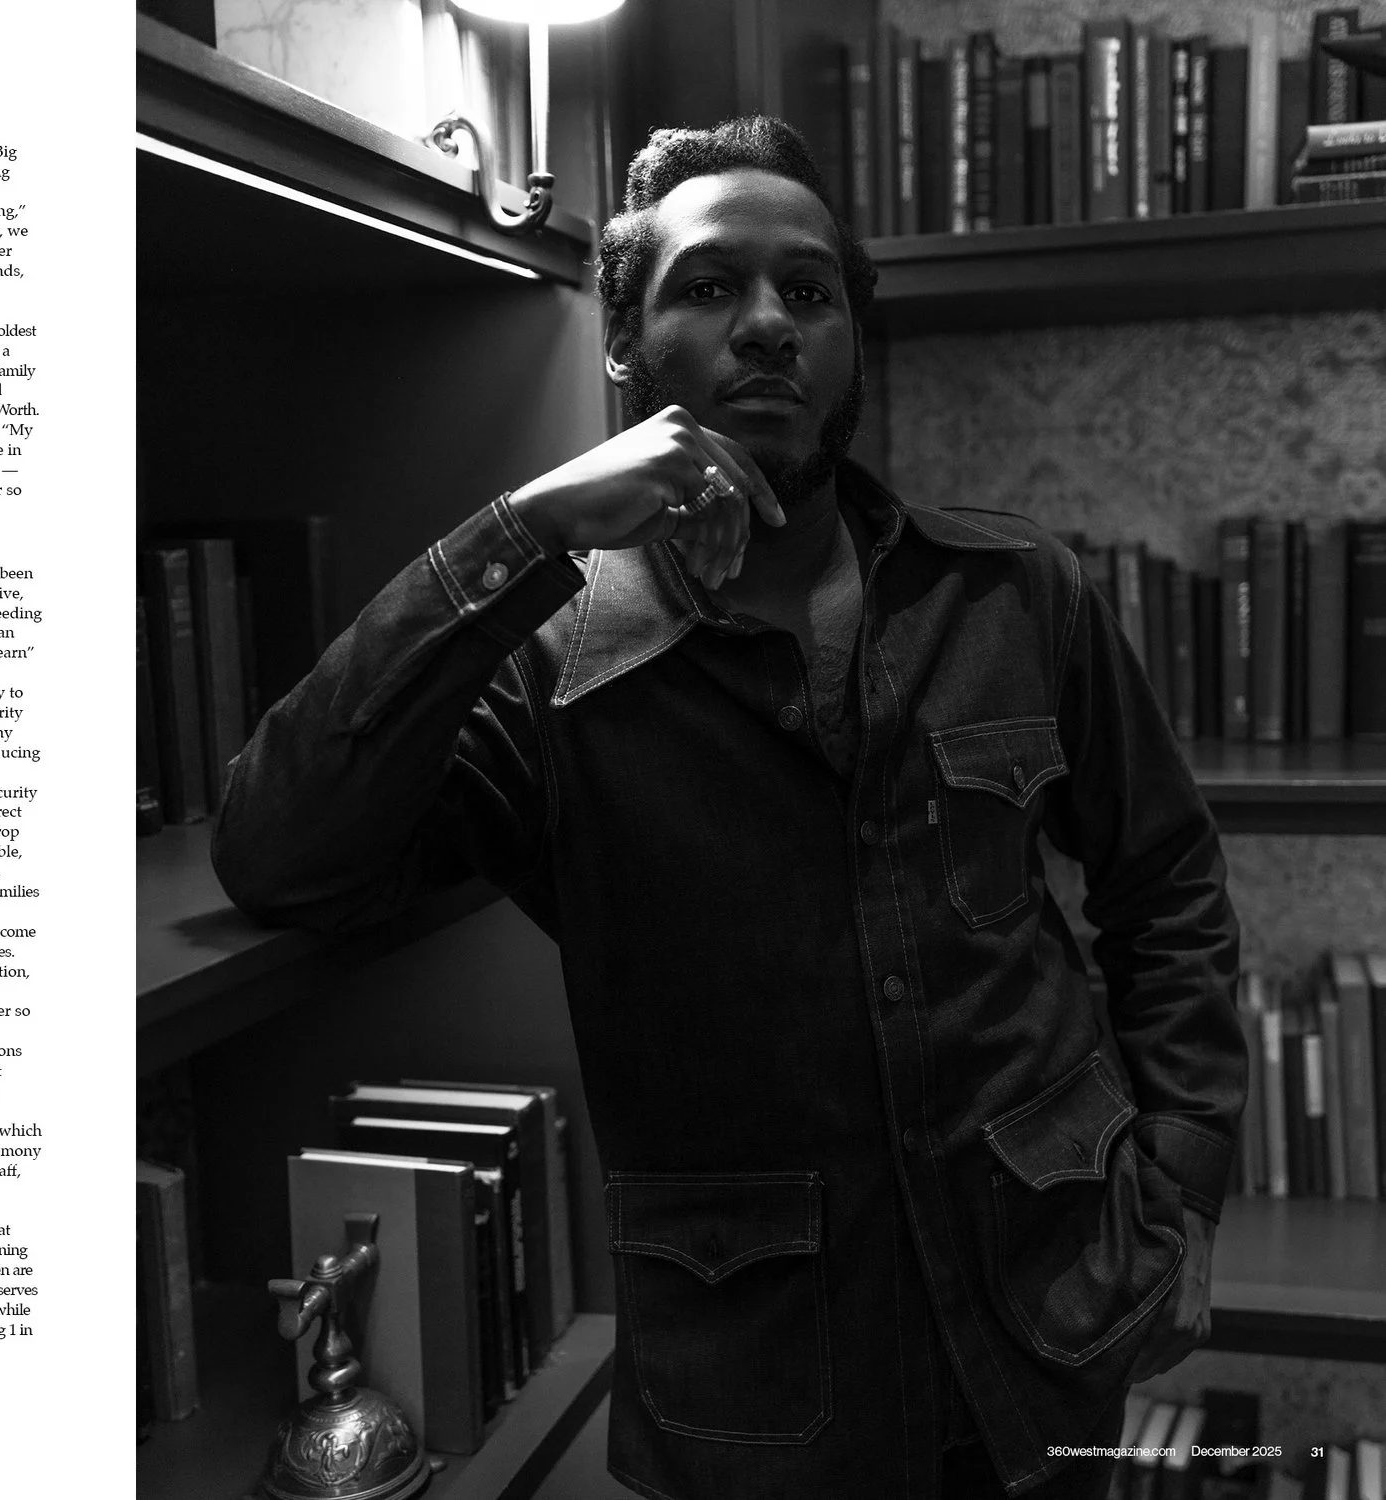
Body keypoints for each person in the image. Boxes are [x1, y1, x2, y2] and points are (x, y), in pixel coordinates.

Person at [211, 117, 1245, 1500]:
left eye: (808, 294)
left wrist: (1180, 1186)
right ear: (628, 344)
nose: (768, 325)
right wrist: (524, 528)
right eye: (709, 288)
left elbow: (1164, 879)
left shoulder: (1011, 599)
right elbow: (281, 855)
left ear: (852, 349)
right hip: (763, 1405)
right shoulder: (548, 672)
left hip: (1052, 1326)